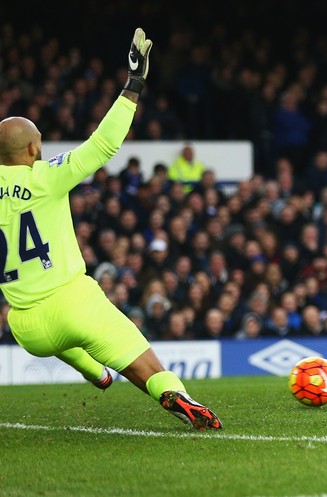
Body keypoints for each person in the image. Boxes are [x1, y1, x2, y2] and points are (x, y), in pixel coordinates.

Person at [0, 29, 221, 430]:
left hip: (24, 325)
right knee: (144, 365)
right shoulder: (45, 176)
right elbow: (104, 144)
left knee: (64, 342)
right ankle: (176, 395)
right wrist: (134, 83)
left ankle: (95, 373)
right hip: (73, 302)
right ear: (33, 149)